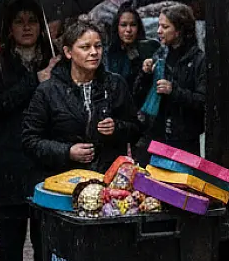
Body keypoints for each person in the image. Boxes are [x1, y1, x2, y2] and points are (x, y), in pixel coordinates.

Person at [0, 0, 58, 261]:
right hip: (8, 165)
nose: (26, 27)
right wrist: (33, 81)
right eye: (19, 21)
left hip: (44, 166)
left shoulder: (55, 62)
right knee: (9, 245)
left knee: (46, 245)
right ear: (10, 29)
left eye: (32, 21)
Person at [22, 19, 142, 175]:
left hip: (106, 178)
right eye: (85, 47)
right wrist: (67, 151)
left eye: (98, 46)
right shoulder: (48, 91)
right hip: (64, 178)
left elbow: (136, 129)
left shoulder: (115, 84)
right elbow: (30, 140)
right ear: (68, 52)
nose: (94, 52)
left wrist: (117, 127)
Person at [138, 3, 206, 162]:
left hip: (184, 139)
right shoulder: (160, 54)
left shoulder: (198, 60)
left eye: (165, 26)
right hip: (155, 134)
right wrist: (145, 74)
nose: (158, 31)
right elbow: (139, 95)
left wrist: (174, 91)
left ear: (179, 31)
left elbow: (203, 101)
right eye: (158, 25)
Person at [104, 5, 161, 106]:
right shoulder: (110, 53)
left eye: (133, 25)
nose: (128, 30)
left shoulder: (149, 49)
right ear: (117, 27)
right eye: (123, 25)